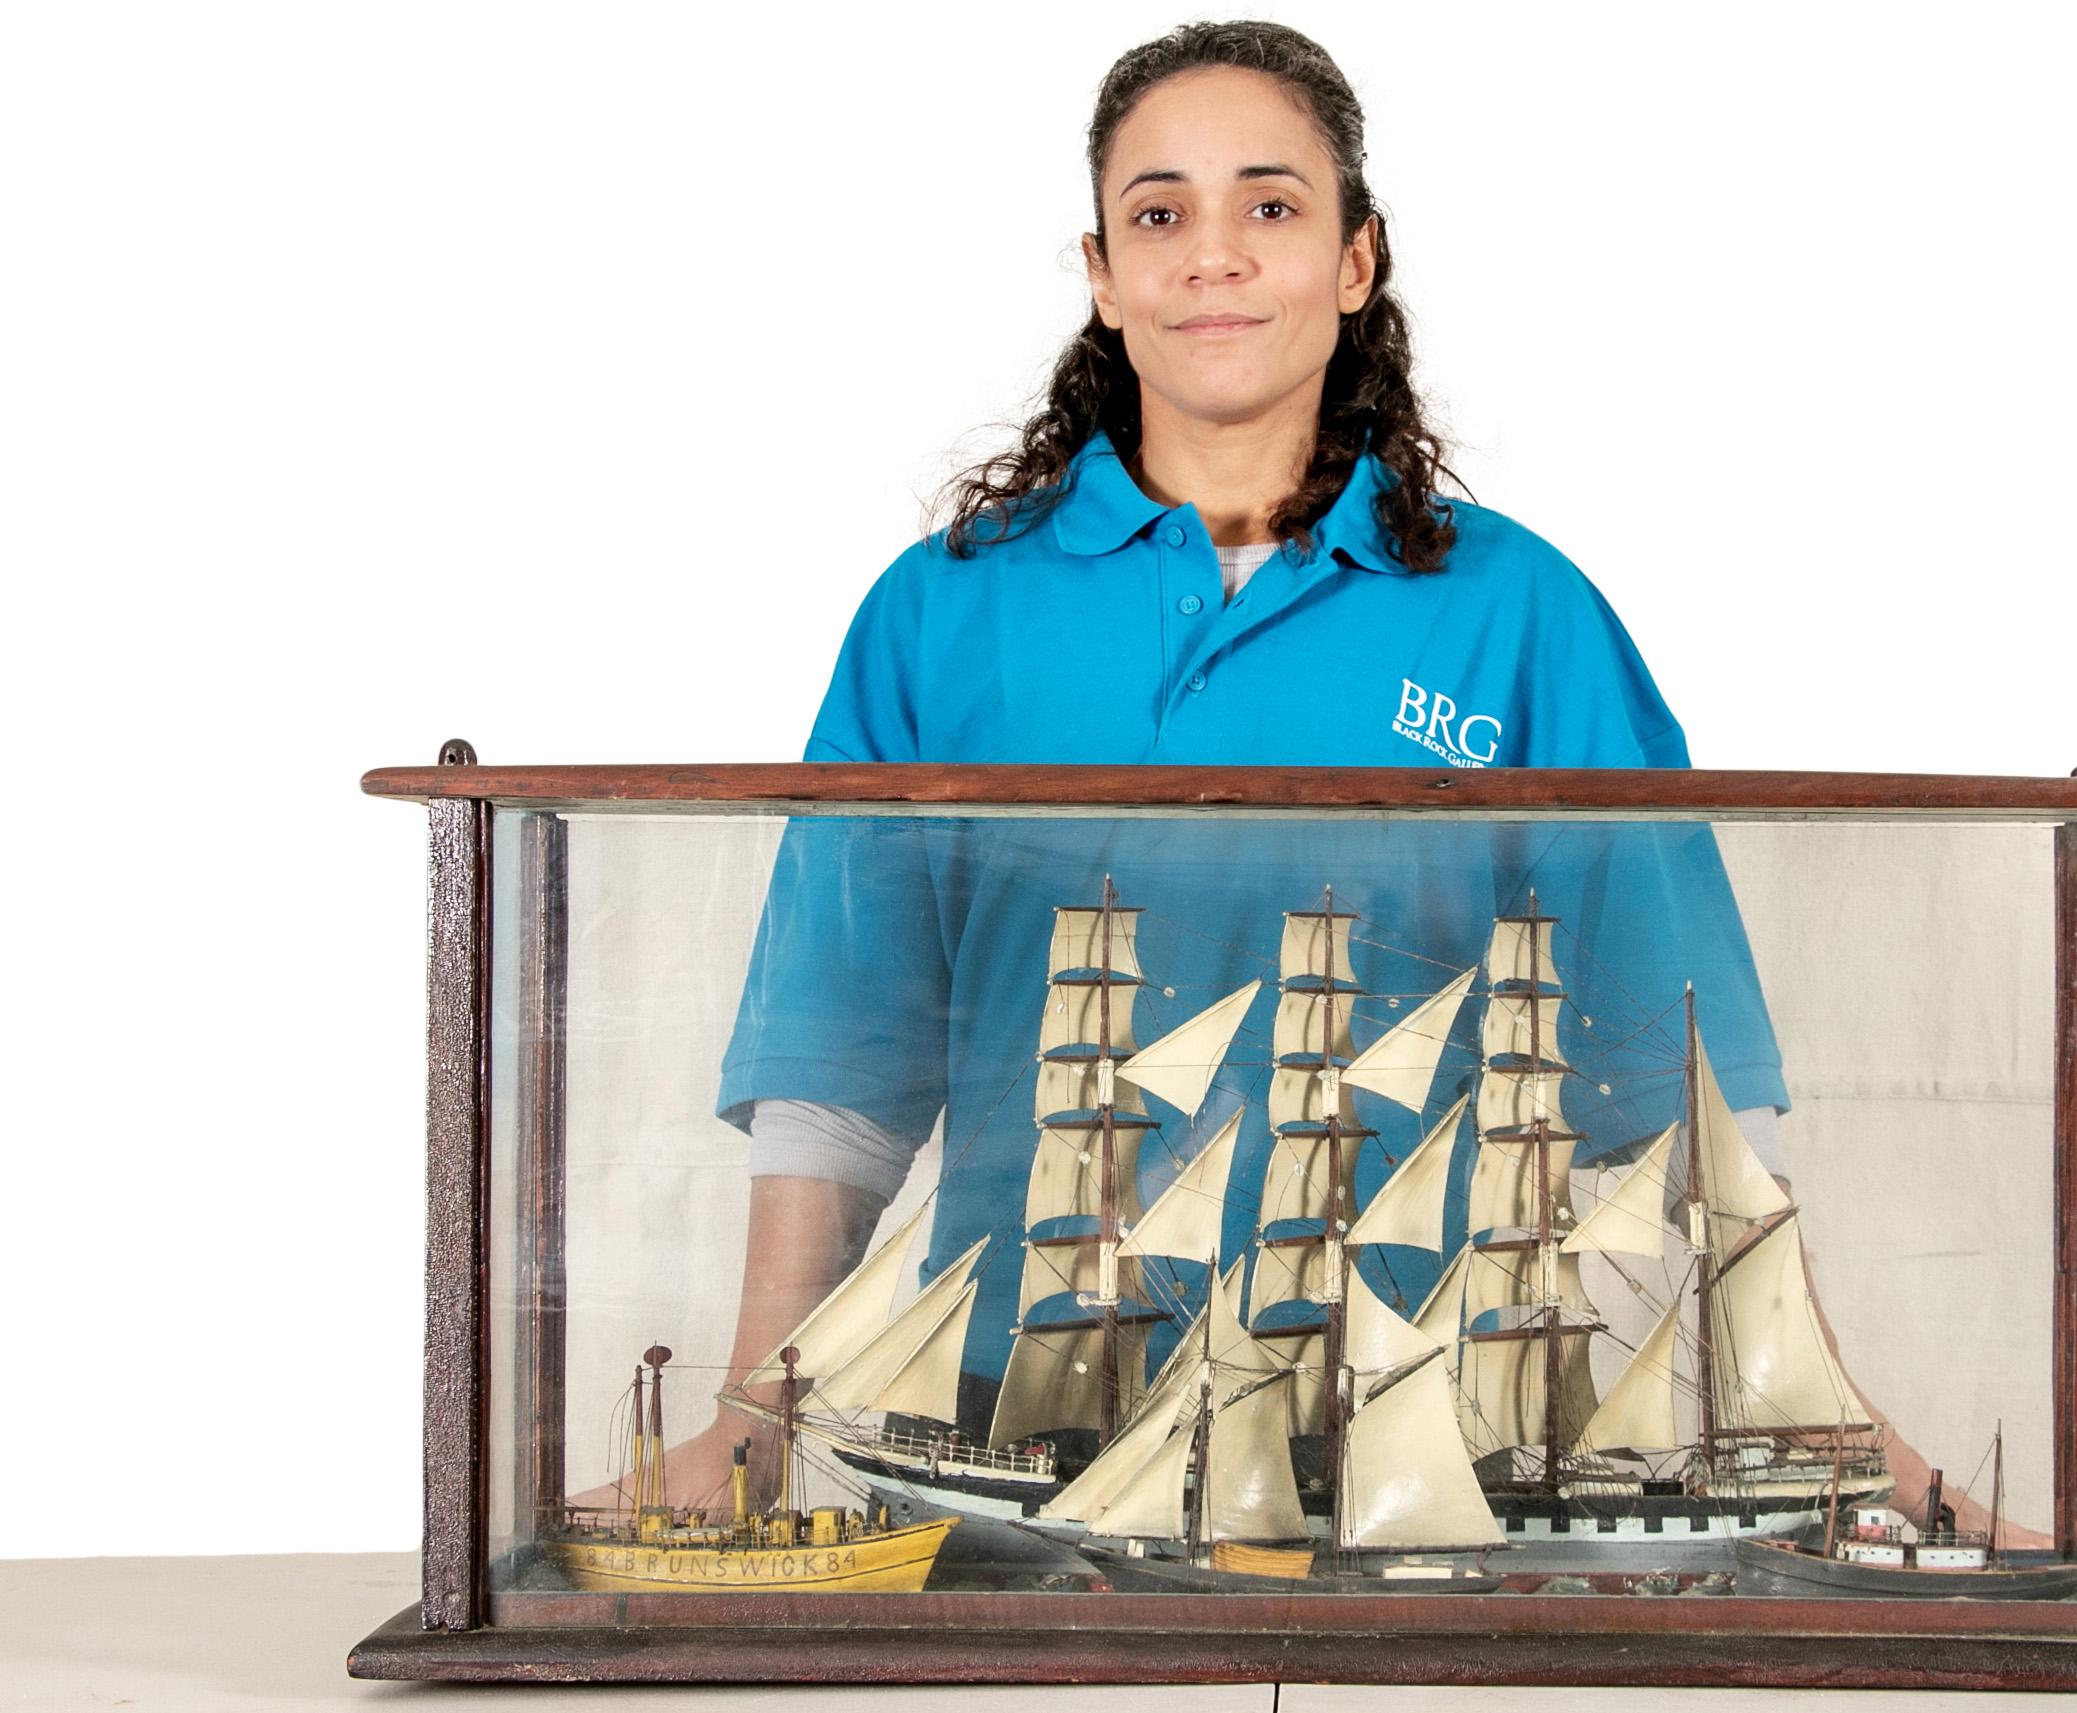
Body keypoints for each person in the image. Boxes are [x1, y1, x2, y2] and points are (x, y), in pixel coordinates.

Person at [630, 20, 1984, 1529]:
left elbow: (1685, 1073)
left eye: (1269, 206)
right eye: (1159, 213)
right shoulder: (938, 614)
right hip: (1024, 1454)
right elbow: (838, 1068)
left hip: (1421, 1456)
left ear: (1355, 259)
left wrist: (1847, 1434)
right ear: (1099, 271)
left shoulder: (1517, 614)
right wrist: (752, 1422)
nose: (1212, 255)